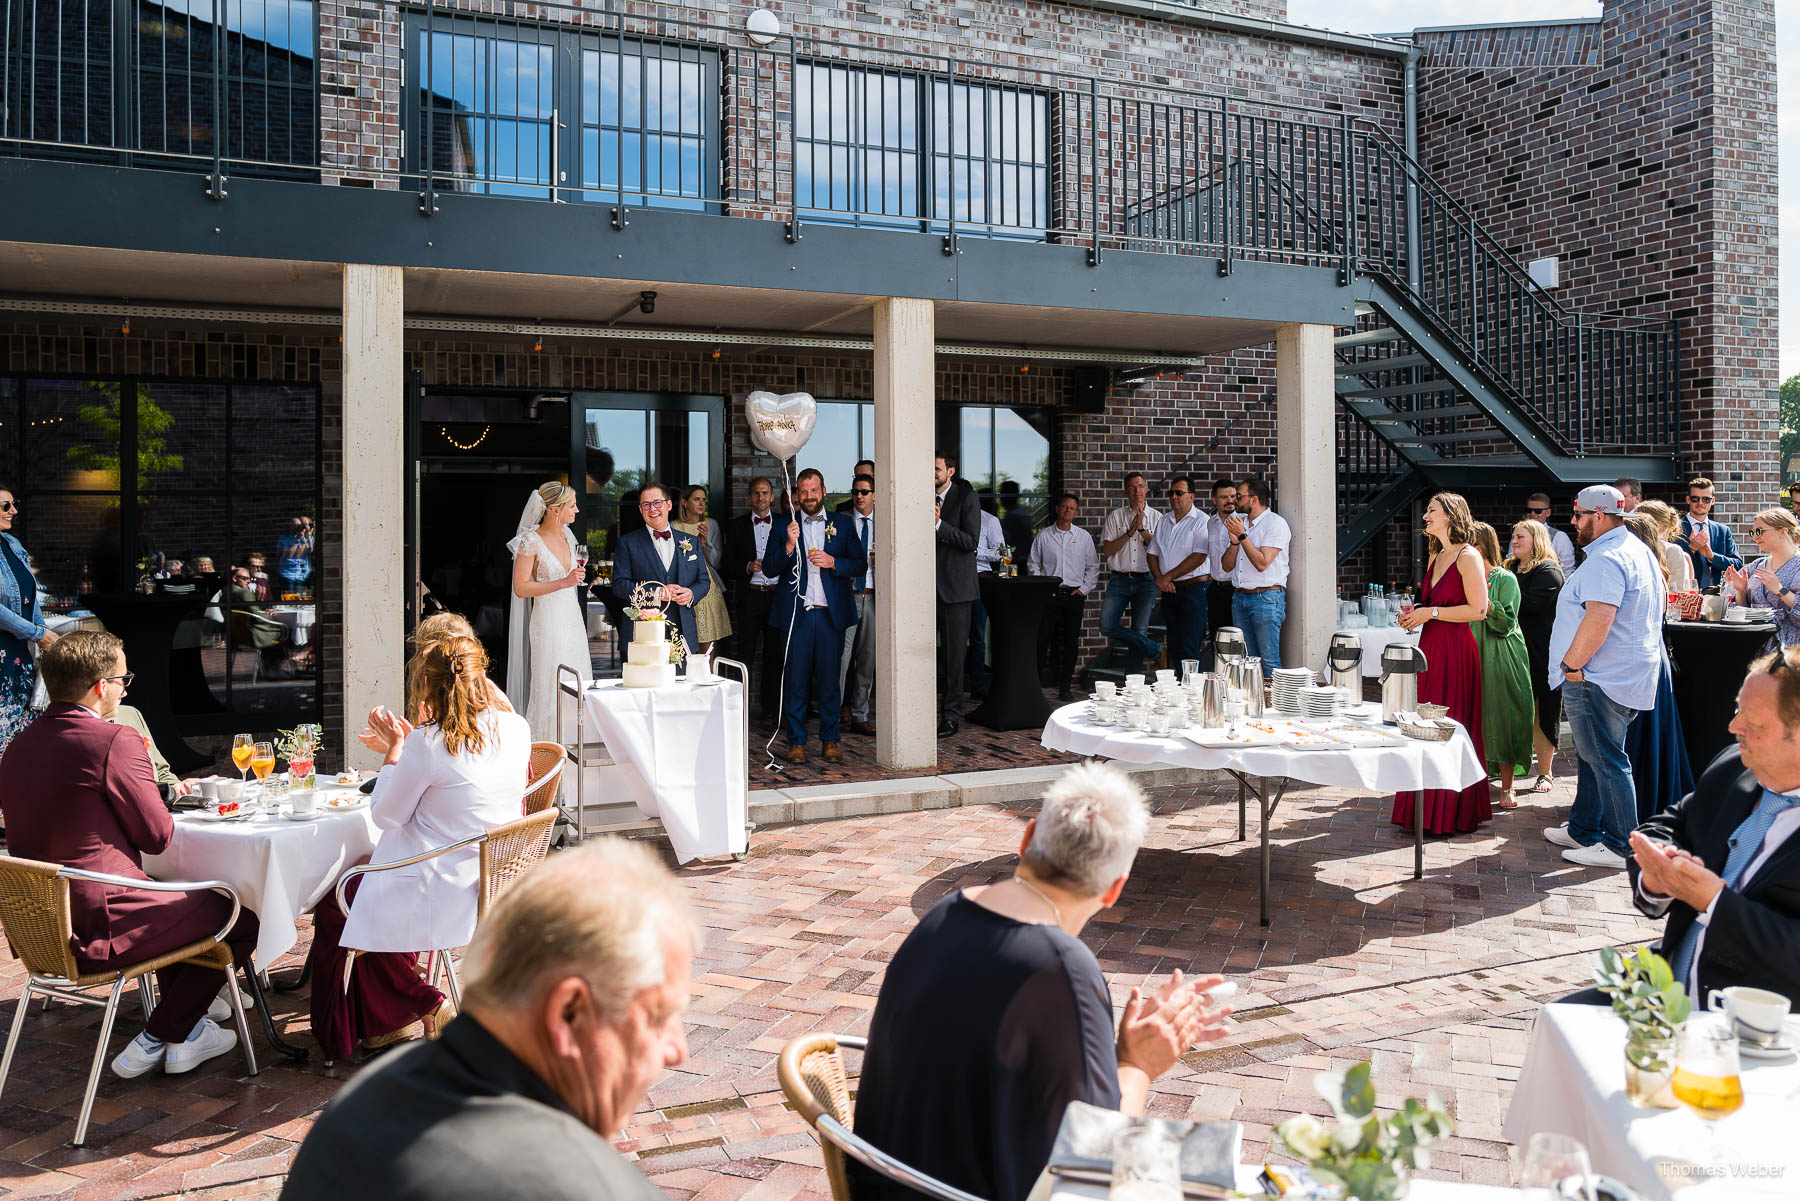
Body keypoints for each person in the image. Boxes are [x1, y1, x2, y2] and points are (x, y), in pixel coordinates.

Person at [851, 761, 1232, 1201]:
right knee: (1216, 1177)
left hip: (889, 1181)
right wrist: (1137, 1065)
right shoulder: (1062, 968)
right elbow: (1094, 1165)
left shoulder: (946, 911)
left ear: (1028, 838)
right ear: (1115, 888)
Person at [281, 839, 700, 1201]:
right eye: (659, 1015)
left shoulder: (362, 1100)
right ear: (569, 1013)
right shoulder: (584, 1187)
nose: (676, 1050)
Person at [0, 632, 259, 1078]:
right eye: (123, 679)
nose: (126, 689)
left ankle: (191, 1027)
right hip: (104, 919)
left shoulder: (16, 747)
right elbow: (157, 836)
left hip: (43, 923)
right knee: (239, 915)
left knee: (179, 902)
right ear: (101, 686)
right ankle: (165, 1032)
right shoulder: (113, 740)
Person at [306, 635, 530, 1059]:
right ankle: (385, 1024)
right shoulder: (516, 728)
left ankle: (424, 1003)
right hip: (489, 879)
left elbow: (386, 816)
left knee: (339, 902)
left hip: (436, 887)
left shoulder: (429, 743)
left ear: (428, 684)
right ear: (481, 674)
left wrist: (395, 751)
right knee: (363, 888)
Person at [1621, 648, 1800, 1006]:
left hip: (1754, 1028)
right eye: (1738, 709)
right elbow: (1669, 824)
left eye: (1754, 722)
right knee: (1557, 1024)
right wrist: (1658, 874)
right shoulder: (1734, 767)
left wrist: (1713, 902)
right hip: (1662, 990)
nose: (1734, 727)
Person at [1543, 485, 1667, 870]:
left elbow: (1600, 616)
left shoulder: (1607, 558)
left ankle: (1618, 844)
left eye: (1579, 515)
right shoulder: (1635, 549)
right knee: (1593, 755)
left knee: (1607, 758)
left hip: (1599, 674)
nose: (1574, 522)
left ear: (1599, 516)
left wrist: (1573, 665)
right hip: (1621, 672)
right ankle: (1583, 828)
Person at [1392, 493, 1492, 834]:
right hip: (1431, 647)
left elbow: (1480, 610)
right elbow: (1433, 606)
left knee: (1451, 724)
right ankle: (1422, 809)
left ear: (1451, 515)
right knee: (1424, 725)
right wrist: (1416, 617)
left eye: (1431, 511)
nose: (1425, 517)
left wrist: (1430, 612)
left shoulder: (1469, 556)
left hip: (1456, 650)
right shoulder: (1437, 555)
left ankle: (1452, 812)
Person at [763, 469, 865, 763]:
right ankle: (796, 741)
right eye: (803, 492)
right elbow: (769, 569)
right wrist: (788, 546)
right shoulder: (784, 524)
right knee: (796, 680)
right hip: (798, 615)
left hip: (831, 615)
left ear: (824, 490)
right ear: (797, 494)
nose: (808, 497)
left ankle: (830, 739)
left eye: (814, 491)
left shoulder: (842, 524)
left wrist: (834, 562)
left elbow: (858, 564)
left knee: (830, 682)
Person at [1619, 512, 1694, 824]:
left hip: (1642, 659)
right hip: (1650, 656)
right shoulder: (1650, 568)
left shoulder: (1646, 570)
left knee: (1639, 735)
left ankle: (1635, 809)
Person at [506, 482, 590, 742]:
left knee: (578, 678)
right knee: (551, 684)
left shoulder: (569, 535)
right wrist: (563, 582)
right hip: (548, 621)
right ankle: (547, 752)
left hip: (572, 618)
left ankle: (577, 744)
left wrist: (575, 578)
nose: (576, 510)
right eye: (572, 505)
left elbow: (570, 576)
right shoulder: (530, 540)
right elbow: (521, 587)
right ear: (555, 510)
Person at [612, 480, 709, 665]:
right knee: (642, 689)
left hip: (683, 632)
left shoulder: (691, 542)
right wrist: (656, 593)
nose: (652, 509)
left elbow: (703, 581)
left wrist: (691, 594)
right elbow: (619, 585)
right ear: (641, 510)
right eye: (646, 505)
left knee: (681, 690)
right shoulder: (627, 543)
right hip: (642, 635)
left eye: (657, 503)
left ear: (669, 505)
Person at [1470, 522, 1532, 810]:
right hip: (1470, 651)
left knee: (1502, 717)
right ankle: (1472, 780)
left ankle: (1508, 787)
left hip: (1500, 653)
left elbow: (1506, 623)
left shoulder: (1504, 578)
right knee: (1473, 716)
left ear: (1478, 547)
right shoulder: (1462, 577)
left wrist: (1483, 595)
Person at [1506, 519, 1566, 795]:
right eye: (1514, 537)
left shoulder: (1549, 571)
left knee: (1543, 712)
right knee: (1511, 710)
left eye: (1521, 537)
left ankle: (1545, 773)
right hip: (1509, 650)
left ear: (1537, 540)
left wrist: (1497, 600)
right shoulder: (1507, 568)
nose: (1515, 541)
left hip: (1540, 651)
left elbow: (1527, 605)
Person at [725, 477, 785, 720]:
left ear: (772, 497)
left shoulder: (783, 523)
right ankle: (741, 711)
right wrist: (748, 565)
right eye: (756, 493)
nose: (761, 497)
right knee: (745, 653)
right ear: (749, 497)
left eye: (765, 493)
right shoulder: (736, 526)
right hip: (750, 598)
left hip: (777, 597)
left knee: (775, 655)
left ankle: (772, 711)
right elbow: (726, 563)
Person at [1028, 494, 1098, 701]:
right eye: (1065, 507)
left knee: (1070, 642)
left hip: (1074, 596)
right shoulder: (1043, 536)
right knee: (1043, 640)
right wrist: (1043, 587)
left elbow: (1093, 566)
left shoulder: (1083, 537)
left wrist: (1084, 589)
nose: (1068, 511)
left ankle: (1065, 686)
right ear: (1057, 509)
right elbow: (1033, 564)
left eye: (1072, 508)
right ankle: (1035, 685)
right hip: (1050, 595)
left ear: (1076, 512)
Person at [0, 484, 52, 756]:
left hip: (20, 652)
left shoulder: (12, 544)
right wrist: (36, 633)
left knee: (20, 735)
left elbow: (30, 596)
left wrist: (41, 632)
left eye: (13, 504)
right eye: (5, 506)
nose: (13, 511)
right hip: (5, 649)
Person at [1222, 477, 1290, 676]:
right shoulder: (1239, 523)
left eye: (1239, 496)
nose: (1235, 501)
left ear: (1254, 499)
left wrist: (1242, 537)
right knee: (1245, 660)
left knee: (1269, 659)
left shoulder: (1275, 523)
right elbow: (1226, 566)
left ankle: (1275, 705)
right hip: (1240, 597)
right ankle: (1253, 703)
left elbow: (1262, 563)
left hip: (1266, 598)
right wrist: (1235, 542)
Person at [1098, 473, 1164, 674]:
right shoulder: (1116, 516)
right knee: (1107, 625)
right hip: (1119, 579)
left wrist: (1142, 529)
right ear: (1126, 491)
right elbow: (1108, 550)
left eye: (1141, 486)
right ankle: (1156, 650)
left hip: (1146, 580)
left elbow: (1161, 550)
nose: (1138, 491)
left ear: (1146, 489)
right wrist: (1128, 533)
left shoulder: (1158, 518)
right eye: (1133, 487)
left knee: (1140, 631)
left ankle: (1132, 682)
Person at [935, 453, 980, 737]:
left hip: (956, 591)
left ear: (950, 471)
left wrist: (940, 525)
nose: (931, 473)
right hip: (923, 590)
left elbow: (970, 542)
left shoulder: (966, 497)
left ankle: (950, 717)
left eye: (936, 469)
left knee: (953, 658)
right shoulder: (918, 494)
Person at [1147, 475, 1209, 673]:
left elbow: (1199, 556)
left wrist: (1168, 577)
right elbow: (1152, 553)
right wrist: (1160, 579)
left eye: (1179, 493)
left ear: (1192, 496)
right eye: (1171, 493)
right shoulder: (1164, 521)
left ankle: (1191, 696)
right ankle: (1178, 693)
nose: (1174, 497)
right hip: (1170, 591)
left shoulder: (1202, 521)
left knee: (1190, 646)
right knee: (1173, 644)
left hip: (1194, 590)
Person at [1724, 508, 1800, 652]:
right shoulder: (1757, 565)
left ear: (1783, 532)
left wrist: (1780, 589)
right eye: (1753, 532)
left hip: (1791, 651)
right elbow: (1745, 611)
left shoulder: (1797, 565)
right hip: (1756, 646)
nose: (1755, 537)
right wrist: (1741, 591)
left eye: (1760, 531)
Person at [673, 484, 731, 654]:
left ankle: (710, 679)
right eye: (696, 499)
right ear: (684, 502)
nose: (701, 503)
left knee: (708, 648)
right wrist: (693, 546)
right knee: (684, 646)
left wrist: (705, 544)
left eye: (704, 500)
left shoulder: (711, 524)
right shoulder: (673, 526)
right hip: (684, 586)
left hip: (708, 588)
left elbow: (717, 561)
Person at [839, 474, 877, 737]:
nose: (859, 496)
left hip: (874, 595)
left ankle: (860, 715)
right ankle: (834, 713)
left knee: (867, 659)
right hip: (848, 595)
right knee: (840, 659)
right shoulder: (841, 522)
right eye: (856, 492)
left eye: (864, 491)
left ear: (874, 494)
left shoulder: (885, 521)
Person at [1677, 476, 1743, 592]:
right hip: (1687, 594)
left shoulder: (1723, 530)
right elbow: (1670, 563)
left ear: (1713, 501)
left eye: (1706, 499)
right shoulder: (1675, 528)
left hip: (1718, 594)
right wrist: (1692, 549)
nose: (1700, 503)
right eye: (1695, 499)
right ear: (1688, 499)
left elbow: (1737, 565)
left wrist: (1712, 556)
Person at [970, 495, 1005, 694]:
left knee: (977, 633)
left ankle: (977, 685)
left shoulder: (990, 520)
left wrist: (976, 552)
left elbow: (1001, 552)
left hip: (980, 579)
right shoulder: (952, 518)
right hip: (953, 579)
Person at [1204, 479, 1239, 660]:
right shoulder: (1210, 523)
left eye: (1233, 496)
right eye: (1224, 497)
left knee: (1236, 643)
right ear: (1214, 500)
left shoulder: (1244, 522)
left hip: (1236, 590)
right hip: (1216, 589)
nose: (1230, 500)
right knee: (1217, 642)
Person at [1637, 499, 1696, 593]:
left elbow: (1678, 593)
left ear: (1656, 526)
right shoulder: (1633, 548)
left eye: (1639, 522)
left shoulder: (1672, 551)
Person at [1524, 494, 1577, 574]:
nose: (1532, 514)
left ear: (1548, 512)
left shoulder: (1559, 537)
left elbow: (1568, 570)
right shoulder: (1518, 536)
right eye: (1529, 510)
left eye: (1538, 511)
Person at [276, 516, 315, 597]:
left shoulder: (307, 537)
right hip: (289, 575)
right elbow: (291, 555)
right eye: (295, 525)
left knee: (302, 600)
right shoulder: (284, 538)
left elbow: (312, 551)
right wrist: (299, 539)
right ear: (289, 526)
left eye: (299, 525)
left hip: (304, 576)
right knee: (290, 600)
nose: (297, 527)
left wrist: (307, 536)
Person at [997, 478, 1035, 555]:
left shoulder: (1014, 516)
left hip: (1016, 559)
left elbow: (1008, 542)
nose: (1000, 497)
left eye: (1002, 494)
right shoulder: (1021, 513)